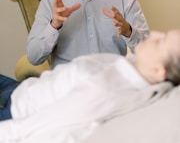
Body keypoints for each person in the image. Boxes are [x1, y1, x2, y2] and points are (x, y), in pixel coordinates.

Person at [1, 29, 180, 123]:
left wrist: (129, 31)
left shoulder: (107, 91)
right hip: (22, 89)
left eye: (160, 41)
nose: (153, 33)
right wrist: (54, 25)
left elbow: (34, 126)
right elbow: (33, 56)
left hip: (11, 111)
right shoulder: (132, 64)